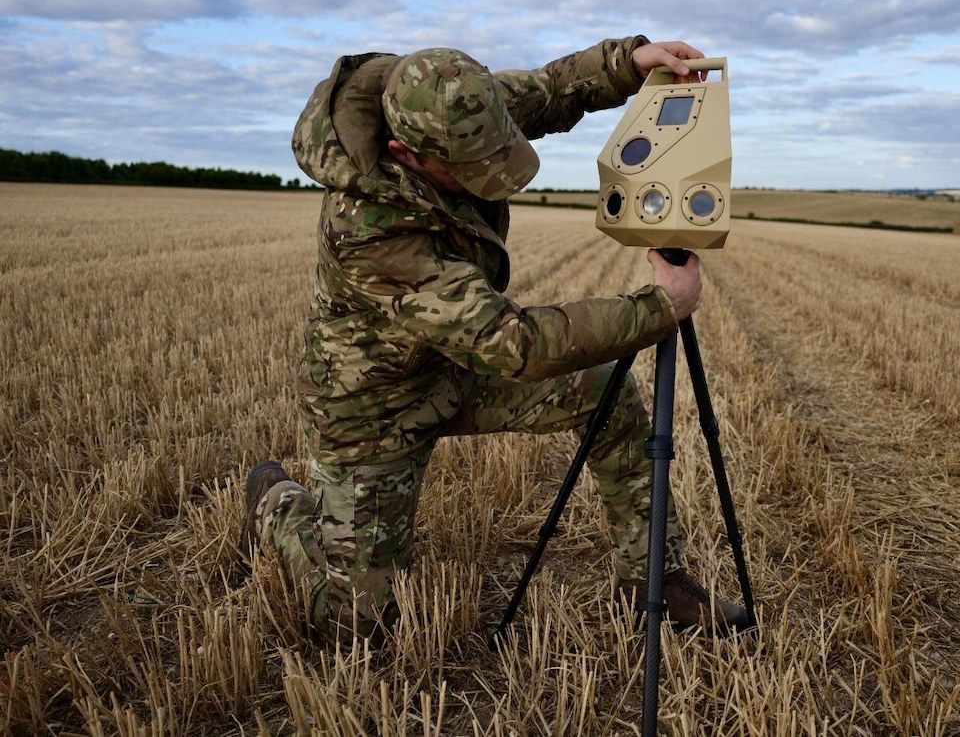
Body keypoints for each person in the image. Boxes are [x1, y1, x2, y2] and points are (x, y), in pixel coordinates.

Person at [240, 35, 749, 645]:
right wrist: (659, 307)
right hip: (376, 408)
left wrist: (629, 62)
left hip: (455, 369)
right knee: (358, 628)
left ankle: (651, 578)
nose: (491, 183)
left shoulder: (456, 107)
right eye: (471, 176)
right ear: (406, 152)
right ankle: (277, 504)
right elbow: (512, 344)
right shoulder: (371, 232)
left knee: (605, 395)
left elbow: (553, 87)